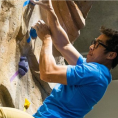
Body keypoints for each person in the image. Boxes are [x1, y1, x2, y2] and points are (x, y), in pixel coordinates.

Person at [0, 0, 118, 118]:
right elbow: (64, 45)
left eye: (98, 44)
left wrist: (46, 39)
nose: (91, 46)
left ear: (111, 55)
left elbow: (48, 73)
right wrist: (50, 9)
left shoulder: (95, 73)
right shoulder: (94, 71)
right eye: (94, 42)